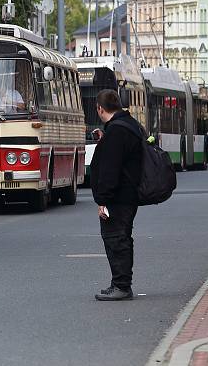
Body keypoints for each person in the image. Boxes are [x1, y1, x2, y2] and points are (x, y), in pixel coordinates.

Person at [89, 89, 144, 301]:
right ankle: (119, 283)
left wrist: (103, 200)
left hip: (118, 197)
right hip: (128, 194)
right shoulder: (128, 125)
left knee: (116, 238)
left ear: (100, 109)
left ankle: (121, 285)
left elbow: (111, 169)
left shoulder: (117, 132)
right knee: (121, 237)